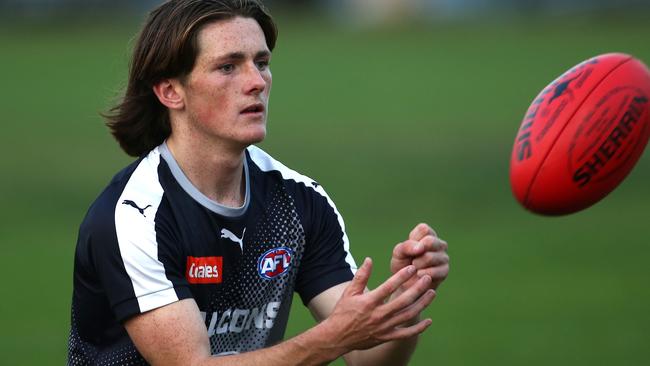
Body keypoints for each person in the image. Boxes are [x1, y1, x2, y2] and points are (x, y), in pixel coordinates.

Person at [67, 1, 450, 365]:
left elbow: (368, 357)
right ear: (171, 91)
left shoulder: (299, 201)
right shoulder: (136, 216)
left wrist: (404, 295)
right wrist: (333, 336)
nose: (256, 82)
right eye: (228, 67)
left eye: (261, 62)